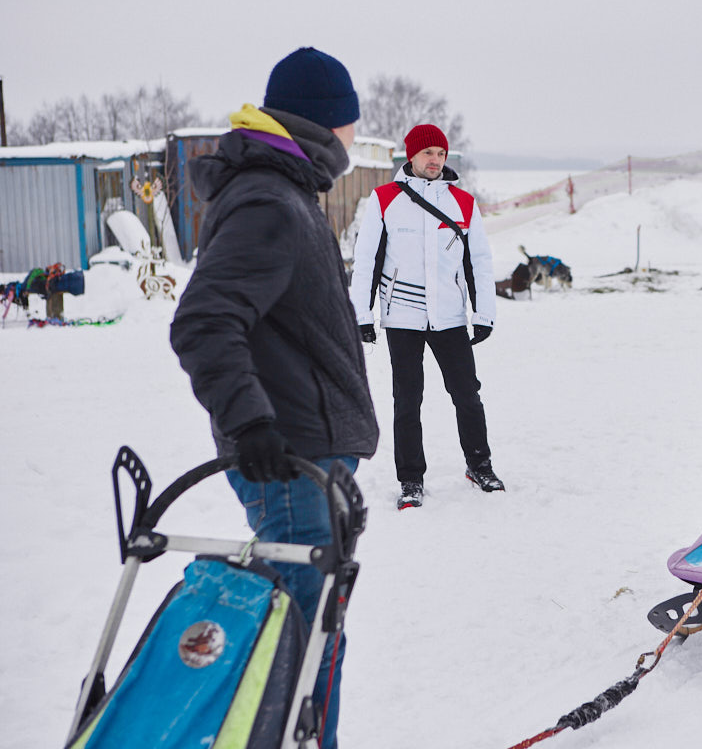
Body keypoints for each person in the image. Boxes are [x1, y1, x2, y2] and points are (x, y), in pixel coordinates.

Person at [170, 47, 378, 747]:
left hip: (311, 457)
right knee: (292, 650)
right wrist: (252, 421)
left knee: (311, 639)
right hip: (289, 460)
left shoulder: (283, 192)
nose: (355, 135)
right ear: (327, 125)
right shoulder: (270, 200)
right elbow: (204, 321)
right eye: (350, 121)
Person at [349, 123, 502, 509]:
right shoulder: (384, 199)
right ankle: (411, 480)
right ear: (411, 156)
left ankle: (479, 466)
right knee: (407, 401)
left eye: (441, 154)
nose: (435, 161)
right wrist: (361, 315)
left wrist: (484, 312)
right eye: (428, 153)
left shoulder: (463, 204)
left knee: (467, 395)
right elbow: (366, 261)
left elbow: (479, 262)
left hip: (449, 317)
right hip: (401, 316)